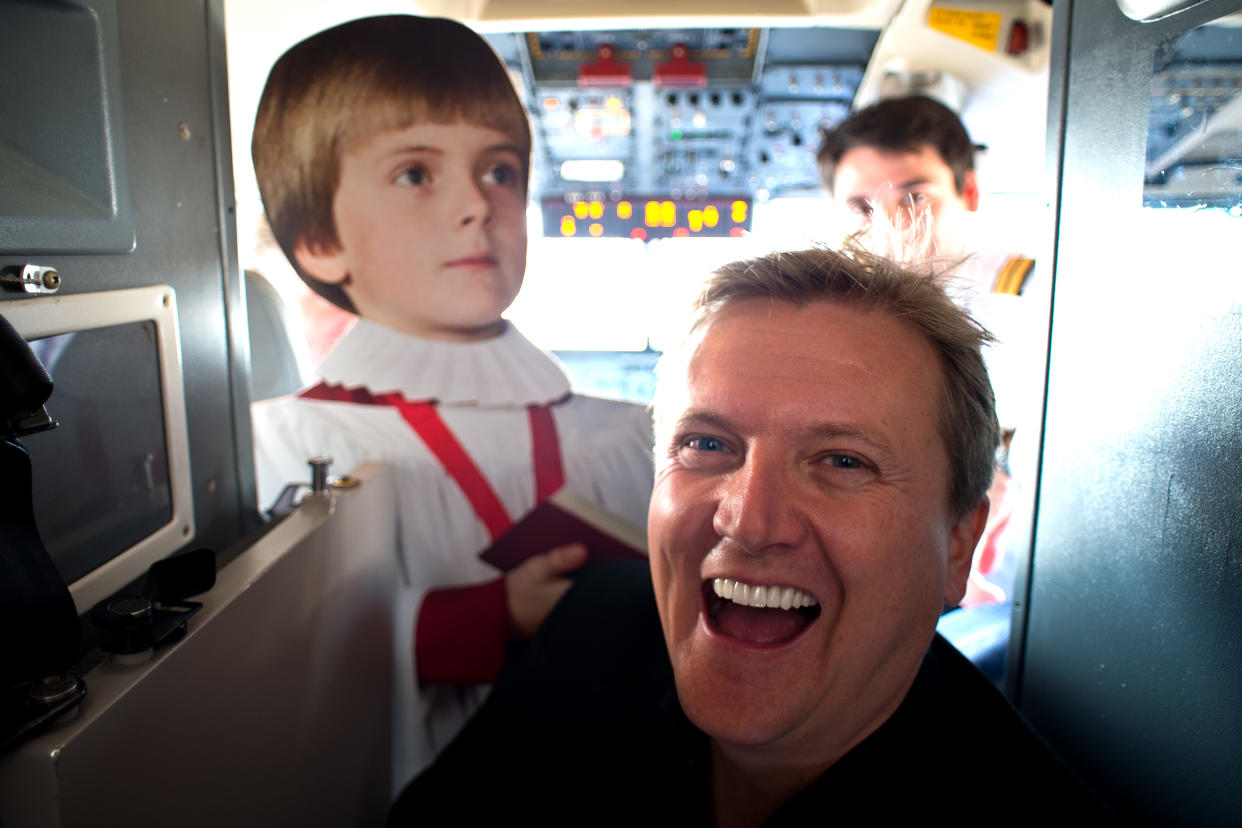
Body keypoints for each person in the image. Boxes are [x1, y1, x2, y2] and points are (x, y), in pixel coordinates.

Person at [390, 247, 1113, 825]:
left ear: (957, 546)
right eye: (707, 445)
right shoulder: (597, 621)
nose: (748, 519)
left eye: (842, 461)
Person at [249, 15, 654, 791]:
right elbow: (278, 674)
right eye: (416, 174)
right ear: (316, 238)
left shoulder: (633, 434)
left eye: (500, 171)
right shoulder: (286, 441)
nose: (477, 204)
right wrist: (490, 617)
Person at [818, 97, 1045, 665]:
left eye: (916, 197)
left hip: (1004, 580)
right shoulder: (829, 311)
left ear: (968, 194)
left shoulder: (1030, 294)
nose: (894, 223)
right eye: (862, 206)